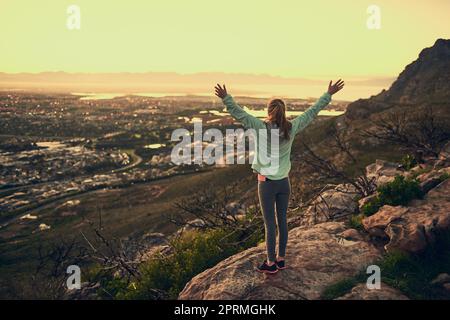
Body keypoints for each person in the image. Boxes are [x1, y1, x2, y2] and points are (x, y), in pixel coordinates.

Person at [214, 80, 344, 274]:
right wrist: (328, 94)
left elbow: (239, 113)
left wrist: (226, 98)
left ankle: (271, 263)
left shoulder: (260, 127)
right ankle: (281, 259)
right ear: (284, 111)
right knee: (282, 222)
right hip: (284, 182)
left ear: (269, 111)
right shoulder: (292, 128)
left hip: (266, 184)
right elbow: (312, 112)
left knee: (269, 225)